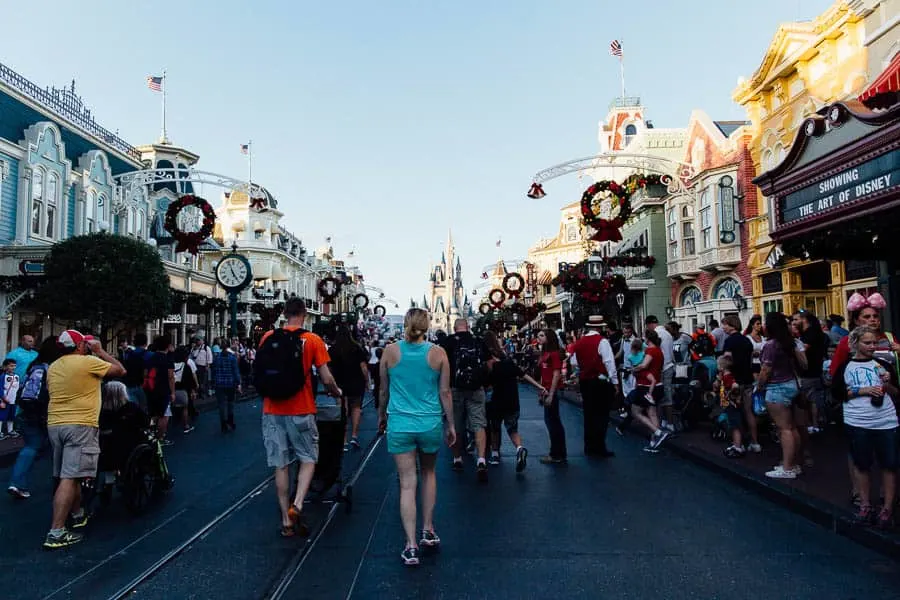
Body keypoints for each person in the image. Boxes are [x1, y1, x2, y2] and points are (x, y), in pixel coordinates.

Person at [378, 308, 456, 566]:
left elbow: (383, 391)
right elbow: (445, 393)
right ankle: (428, 529)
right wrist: (451, 425)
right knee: (429, 474)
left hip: (400, 424)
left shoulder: (390, 352)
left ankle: (410, 546)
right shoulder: (438, 353)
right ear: (427, 324)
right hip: (429, 423)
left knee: (407, 483)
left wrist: (381, 416)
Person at [258, 298, 341, 538]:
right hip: (301, 409)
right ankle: (299, 502)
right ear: (304, 315)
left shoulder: (267, 337)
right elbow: (326, 378)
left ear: (284, 314)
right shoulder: (313, 340)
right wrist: (336, 393)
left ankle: (286, 520)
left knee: (280, 464)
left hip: (272, 410)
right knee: (308, 458)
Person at [44, 330, 125, 549]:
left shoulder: (53, 366)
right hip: (81, 423)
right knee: (70, 477)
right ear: (80, 345)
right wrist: (100, 351)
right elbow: (120, 370)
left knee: (69, 473)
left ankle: (78, 514)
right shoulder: (88, 362)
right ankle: (56, 531)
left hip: (55, 424)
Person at [837, 326, 899, 527]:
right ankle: (865, 504)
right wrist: (862, 390)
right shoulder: (846, 366)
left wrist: (887, 385)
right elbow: (837, 394)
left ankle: (887, 508)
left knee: (889, 464)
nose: (872, 346)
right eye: (867, 343)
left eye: (874, 343)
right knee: (862, 464)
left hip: (885, 421)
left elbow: (896, 392)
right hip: (858, 420)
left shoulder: (882, 365)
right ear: (855, 344)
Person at [8, 337, 61, 499]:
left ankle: (16, 482)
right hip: (45, 414)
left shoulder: (34, 366)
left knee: (31, 446)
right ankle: (61, 484)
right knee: (55, 448)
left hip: (26, 412)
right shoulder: (53, 368)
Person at [483, 331, 544, 470]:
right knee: (512, 429)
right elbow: (524, 375)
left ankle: (495, 454)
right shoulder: (509, 362)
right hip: (512, 401)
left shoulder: (491, 366)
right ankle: (519, 448)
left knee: (495, 428)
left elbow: (485, 384)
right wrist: (540, 387)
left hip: (496, 401)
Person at [758, 313, 808, 479]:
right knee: (792, 427)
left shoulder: (771, 345)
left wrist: (759, 386)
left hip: (776, 387)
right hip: (791, 384)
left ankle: (787, 467)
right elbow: (803, 363)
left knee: (784, 428)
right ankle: (794, 463)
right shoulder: (789, 343)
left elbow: (766, 370)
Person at [441, 319, 490, 481]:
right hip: (476, 388)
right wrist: (485, 381)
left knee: (455, 424)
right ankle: (481, 460)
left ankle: (457, 459)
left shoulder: (448, 342)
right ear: (468, 327)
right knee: (479, 423)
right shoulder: (478, 341)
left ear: (454, 329)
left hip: (455, 388)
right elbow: (489, 363)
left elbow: (440, 365)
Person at [571, 315, 618, 458]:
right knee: (602, 415)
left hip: (585, 381)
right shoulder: (602, 341)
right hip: (599, 381)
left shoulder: (579, 343)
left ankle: (589, 445)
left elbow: (574, 362)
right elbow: (609, 362)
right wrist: (615, 382)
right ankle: (599, 446)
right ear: (599, 327)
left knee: (588, 414)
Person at [328, 325, 369, 451]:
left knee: (343, 410)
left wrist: (329, 384)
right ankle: (354, 436)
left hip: (339, 383)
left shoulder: (333, 349)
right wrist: (367, 381)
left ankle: (344, 440)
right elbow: (363, 367)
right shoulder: (357, 348)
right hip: (356, 382)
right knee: (356, 408)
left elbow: (328, 369)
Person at [721, 315, 759, 454]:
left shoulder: (730, 341)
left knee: (734, 412)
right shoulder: (747, 341)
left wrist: (723, 374)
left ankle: (737, 444)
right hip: (747, 379)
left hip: (734, 381)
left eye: (725, 324)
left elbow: (727, 361)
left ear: (732, 325)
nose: (723, 327)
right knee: (749, 412)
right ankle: (755, 442)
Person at [629, 329, 670, 452]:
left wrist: (633, 369)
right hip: (658, 384)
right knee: (652, 412)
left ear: (648, 338)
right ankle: (654, 443)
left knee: (635, 411)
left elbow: (644, 365)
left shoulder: (651, 351)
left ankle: (658, 433)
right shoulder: (659, 351)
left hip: (645, 386)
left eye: (644, 336)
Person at [793, 311, 828, 433]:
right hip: (815, 370)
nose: (794, 322)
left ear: (804, 320)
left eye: (796, 319)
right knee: (813, 399)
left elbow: (802, 349)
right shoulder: (815, 333)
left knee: (807, 400)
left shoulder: (809, 334)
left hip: (808, 372)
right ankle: (815, 424)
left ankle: (811, 424)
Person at [537, 329, 567, 465]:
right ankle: (557, 452)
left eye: (542, 335)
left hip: (551, 390)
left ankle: (557, 454)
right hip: (546, 389)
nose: (539, 338)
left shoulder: (554, 354)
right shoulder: (545, 353)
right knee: (551, 421)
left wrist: (551, 394)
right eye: (538, 336)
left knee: (553, 422)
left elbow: (556, 374)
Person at [645, 316, 676, 432]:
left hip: (662, 368)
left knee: (662, 396)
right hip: (669, 366)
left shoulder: (656, 334)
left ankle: (669, 423)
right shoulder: (667, 333)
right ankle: (665, 421)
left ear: (649, 325)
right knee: (665, 394)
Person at [145, 335, 175, 446]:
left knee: (153, 413)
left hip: (150, 389)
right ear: (168, 346)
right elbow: (171, 377)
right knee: (164, 415)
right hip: (163, 390)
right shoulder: (168, 360)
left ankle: (151, 434)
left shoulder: (150, 358)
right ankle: (160, 438)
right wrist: (172, 392)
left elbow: (145, 373)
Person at [212, 341, 242, 433]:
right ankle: (230, 420)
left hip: (219, 383)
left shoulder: (217, 358)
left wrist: (214, 381)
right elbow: (235, 372)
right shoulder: (232, 358)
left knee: (221, 404)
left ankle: (223, 423)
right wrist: (238, 383)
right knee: (230, 403)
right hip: (230, 383)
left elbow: (214, 371)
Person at [0, 358, 19, 439]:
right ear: (6, 366)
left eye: (14, 366)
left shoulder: (17, 376)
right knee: (1, 416)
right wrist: (2, 398)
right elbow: (0, 388)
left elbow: (17, 388)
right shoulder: (3, 376)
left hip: (13, 400)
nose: (13, 367)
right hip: (4, 400)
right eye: (11, 366)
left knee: (11, 416)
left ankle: (10, 430)